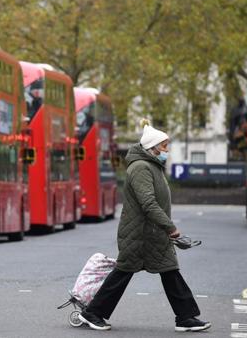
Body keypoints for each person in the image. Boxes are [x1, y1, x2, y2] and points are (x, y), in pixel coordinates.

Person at [78, 119, 211, 332]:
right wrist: (170, 228)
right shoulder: (141, 168)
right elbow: (148, 203)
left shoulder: (153, 166)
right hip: (139, 234)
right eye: (164, 145)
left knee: (170, 271)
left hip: (152, 233)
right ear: (153, 147)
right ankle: (92, 313)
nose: (167, 149)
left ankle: (186, 318)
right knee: (123, 272)